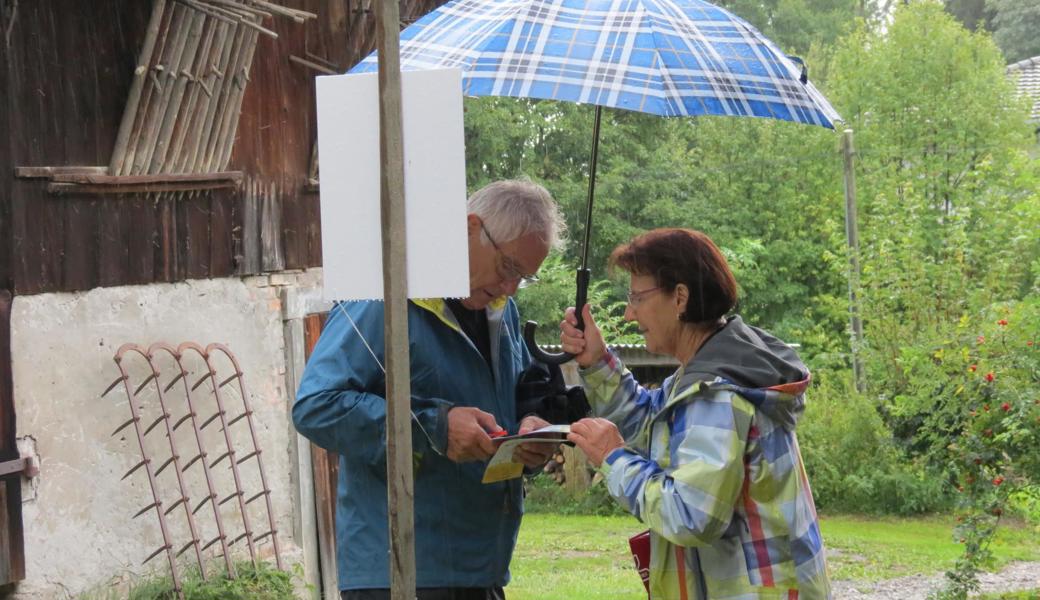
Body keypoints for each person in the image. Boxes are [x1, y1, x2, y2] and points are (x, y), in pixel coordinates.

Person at [294, 179, 566, 600]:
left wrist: (532, 431)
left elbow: (516, 395)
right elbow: (316, 405)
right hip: (400, 571)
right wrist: (434, 426)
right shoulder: (382, 296)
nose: (511, 287)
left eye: (524, 277)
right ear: (471, 227)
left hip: (483, 569)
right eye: (510, 267)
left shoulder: (500, 310)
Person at [559, 228, 832, 600]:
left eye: (637, 297)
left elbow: (690, 516)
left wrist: (613, 459)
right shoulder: (708, 373)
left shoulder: (717, 394)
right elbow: (650, 424)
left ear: (680, 297)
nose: (628, 312)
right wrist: (596, 361)